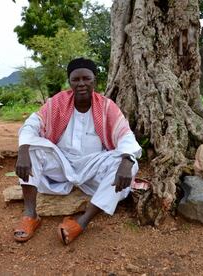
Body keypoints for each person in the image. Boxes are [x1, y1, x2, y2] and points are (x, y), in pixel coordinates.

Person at [14, 57, 142, 245]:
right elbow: (32, 124)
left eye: (86, 78)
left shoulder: (107, 107)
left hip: (93, 167)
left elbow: (126, 136)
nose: (81, 83)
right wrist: (23, 149)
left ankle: (81, 222)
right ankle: (30, 215)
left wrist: (127, 160)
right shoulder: (57, 102)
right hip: (61, 164)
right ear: (70, 82)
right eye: (76, 79)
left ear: (94, 80)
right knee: (31, 147)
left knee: (129, 163)